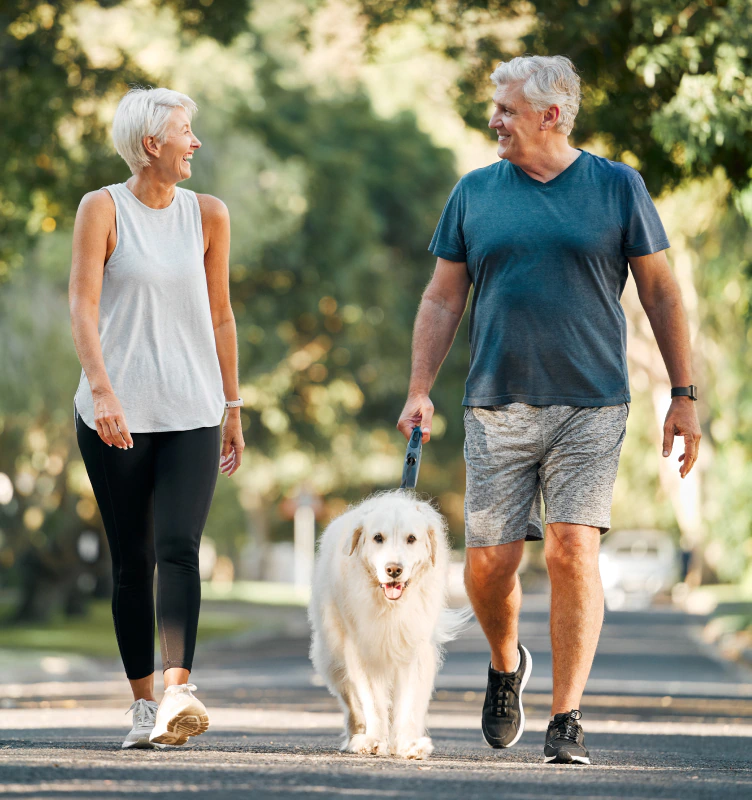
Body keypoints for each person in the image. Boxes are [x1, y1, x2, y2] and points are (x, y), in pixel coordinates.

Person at [397, 55, 701, 765]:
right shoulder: (474, 192)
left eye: (505, 108)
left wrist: (683, 396)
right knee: (488, 566)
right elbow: (443, 299)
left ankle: (567, 716)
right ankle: (507, 665)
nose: (493, 119)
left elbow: (661, 293)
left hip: (591, 401)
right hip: (495, 401)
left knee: (573, 547)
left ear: (550, 115)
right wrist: (419, 388)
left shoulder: (617, 187)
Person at [69, 87, 245, 749]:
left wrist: (232, 405)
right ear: (151, 144)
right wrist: (103, 391)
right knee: (131, 558)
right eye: (184, 132)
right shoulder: (102, 208)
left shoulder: (209, 215)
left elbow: (222, 315)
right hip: (116, 414)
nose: (194, 142)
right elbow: (84, 308)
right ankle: (144, 704)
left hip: (193, 408)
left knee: (179, 549)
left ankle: (177, 693)